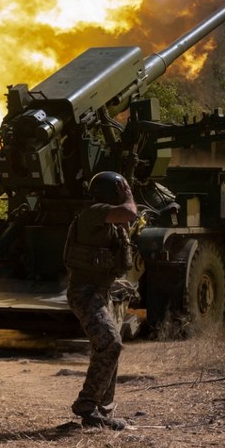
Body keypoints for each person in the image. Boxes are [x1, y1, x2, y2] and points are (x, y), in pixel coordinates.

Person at [64, 171, 137, 430]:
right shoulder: (94, 212)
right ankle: (87, 405)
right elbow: (130, 212)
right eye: (121, 189)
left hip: (100, 293)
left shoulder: (109, 223)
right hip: (85, 293)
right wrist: (128, 196)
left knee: (108, 346)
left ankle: (103, 407)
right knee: (110, 343)